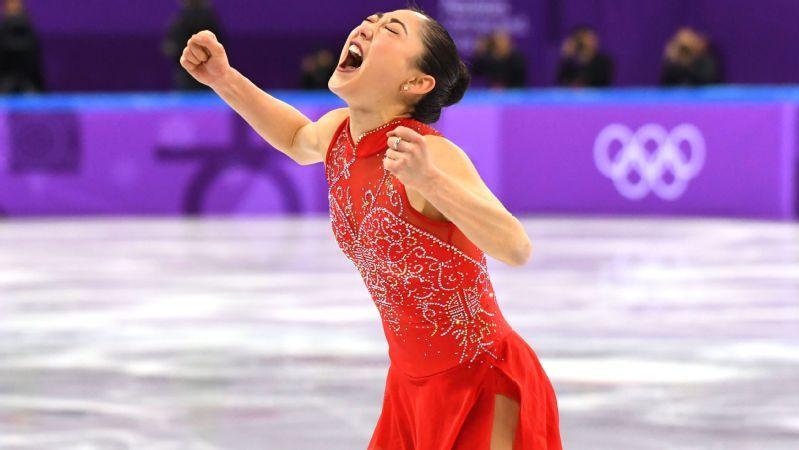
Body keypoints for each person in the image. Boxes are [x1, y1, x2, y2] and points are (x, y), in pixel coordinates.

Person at [179, 8, 562, 449]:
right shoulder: (338, 134)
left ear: (415, 84)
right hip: (406, 387)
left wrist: (431, 182)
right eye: (372, 20)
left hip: (479, 380)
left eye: (390, 31)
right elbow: (295, 139)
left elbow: (516, 247)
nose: (366, 27)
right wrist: (223, 79)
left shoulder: (428, 156)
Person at [162, 0, 224, 91]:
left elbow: (171, 47)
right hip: (195, 76)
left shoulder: (185, 19)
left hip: (194, 78)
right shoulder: (207, 17)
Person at [0, 0, 45, 93]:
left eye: (16, 4)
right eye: (10, 4)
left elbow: (34, 65)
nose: (13, 7)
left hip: (28, 85)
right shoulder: (2, 32)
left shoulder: (29, 32)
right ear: (5, 7)